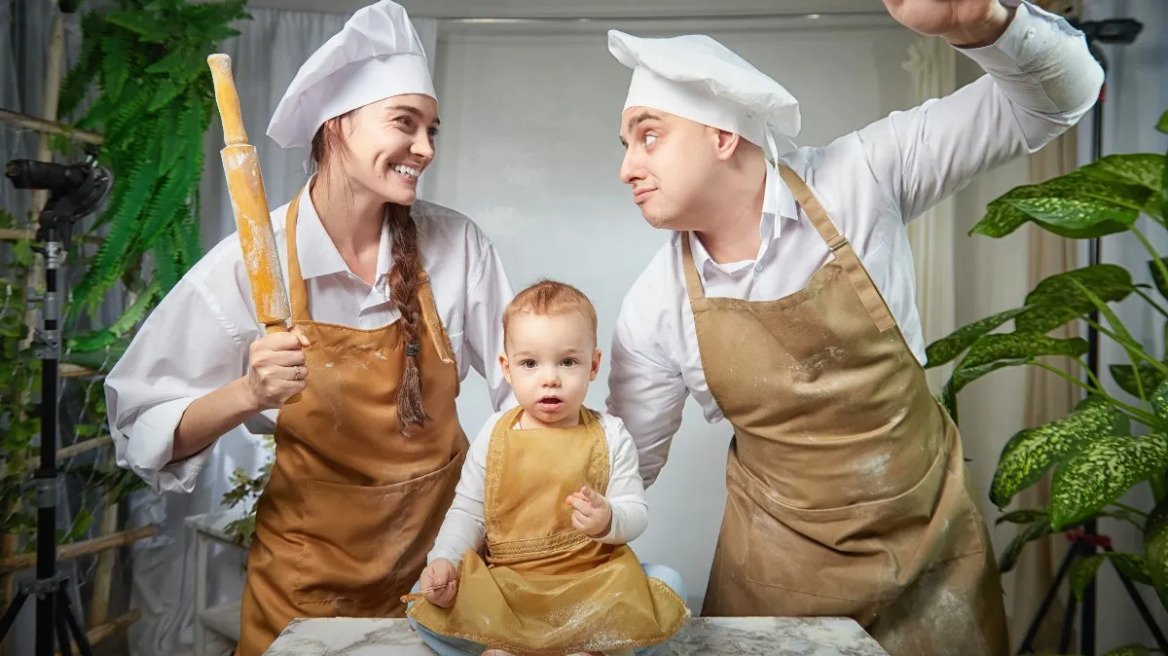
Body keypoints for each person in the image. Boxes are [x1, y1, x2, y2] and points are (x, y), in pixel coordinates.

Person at [603, 1, 1104, 654]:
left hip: (934, 563)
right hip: (775, 589)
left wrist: (985, 19)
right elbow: (625, 471)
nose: (627, 169)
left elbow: (1062, 98)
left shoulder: (862, 178)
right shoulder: (654, 307)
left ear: (722, 135)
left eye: (648, 135)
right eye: (626, 145)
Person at [103, 2, 514, 654]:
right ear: (337, 126)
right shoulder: (251, 260)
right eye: (404, 123)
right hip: (306, 588)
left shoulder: (456, 246)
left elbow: (523, 391)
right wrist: (248, 394)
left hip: (443, 575)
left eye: (433, 129)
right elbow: (141, 422)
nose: (427, 148)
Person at [406, 281, 689, 656]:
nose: (550, 377)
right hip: (511, 588)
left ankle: (584, 647)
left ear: (593, 366)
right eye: (530, 363)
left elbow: (635, 512)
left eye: (568, 361)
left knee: (668, 585)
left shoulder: (610, 434)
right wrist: (444, 560)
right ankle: (508, 645)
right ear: (507, 368)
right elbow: (468, 512)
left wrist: (609, 519)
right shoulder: (495, 434)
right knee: (422, 605)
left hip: (588, 585)